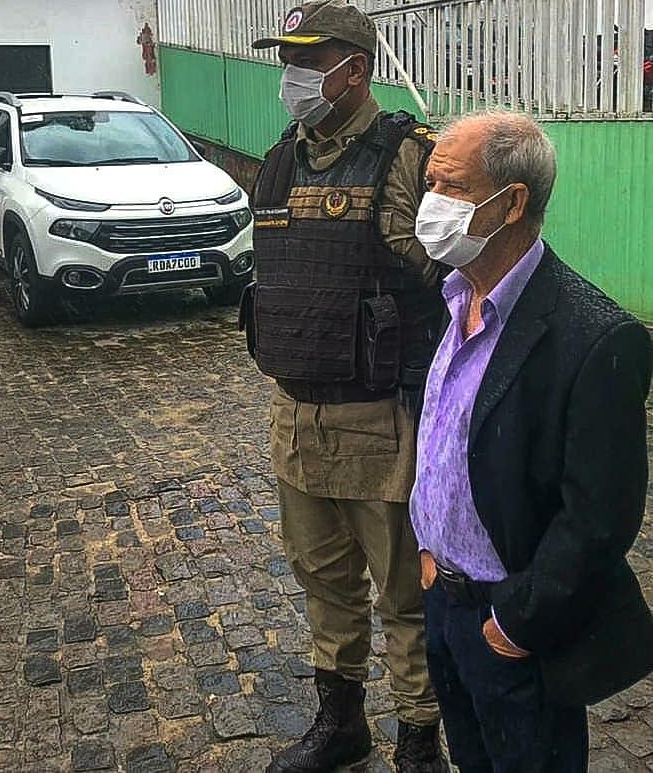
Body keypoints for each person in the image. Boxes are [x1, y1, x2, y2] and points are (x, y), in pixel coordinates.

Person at [411, 110, 653, 772]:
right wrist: (427, 552)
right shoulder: (450, 296)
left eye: (453, 186)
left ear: (512, 203)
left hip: (511, 625)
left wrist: (515, 622)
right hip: (442, 602)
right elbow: (442, 437)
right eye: (430, 183)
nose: (431, 203)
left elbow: (600, 517)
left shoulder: (594, 336)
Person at [244, 3, 448, 771]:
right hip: (295, 417)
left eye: (306, 60)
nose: (290, 76)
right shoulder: (279, 158)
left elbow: (455, 287)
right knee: (323, 581)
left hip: (378, 420)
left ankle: (418, 738)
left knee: (403, 594)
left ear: (354, 69)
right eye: (287, 60)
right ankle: (341, 723)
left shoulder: (409, 157)